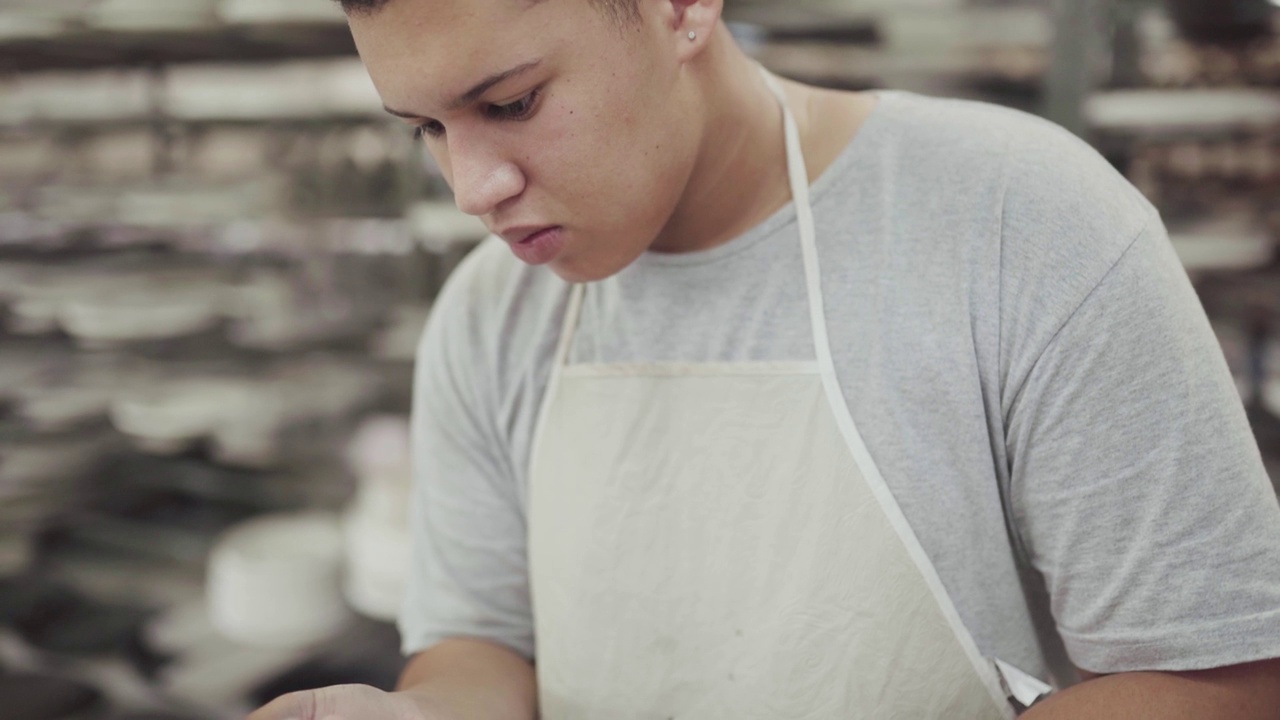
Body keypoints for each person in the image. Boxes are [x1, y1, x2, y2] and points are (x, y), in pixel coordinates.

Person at [250, 0, 1280, 718]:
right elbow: (481, 650)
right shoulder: (487, 315)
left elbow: (1222, 685)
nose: (472, 186)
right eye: (425, 127)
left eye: (511, 102)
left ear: (682, 6)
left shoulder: (1016, 222)